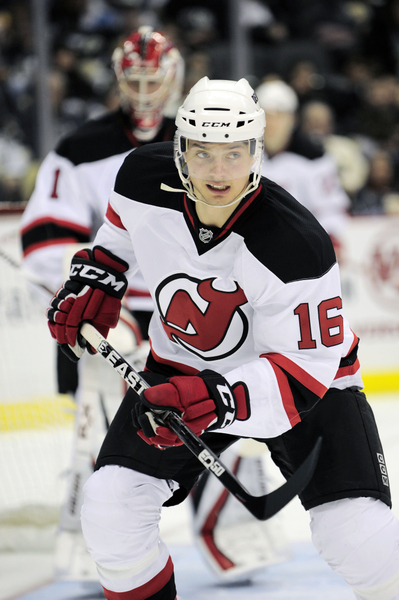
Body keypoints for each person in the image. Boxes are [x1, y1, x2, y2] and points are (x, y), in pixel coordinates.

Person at [47, 76, 399, 600]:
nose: (218, 171)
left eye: (234, 154)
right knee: (111, 504)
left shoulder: (296, 244)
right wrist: (101, 274)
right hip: (183, 367)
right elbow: (119, 231)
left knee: (356, 538)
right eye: (203, 153)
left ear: (256, 152)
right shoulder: (143, 176)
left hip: (308, 386)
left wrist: (217, 398)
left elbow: (304, 372)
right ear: (180, 147)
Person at [20, 27, 285, 582]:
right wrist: (95, 287)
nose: (143, 91)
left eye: (153, 78)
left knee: (216, 404)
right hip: (115, 310)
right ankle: (98, 549)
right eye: (134, 79)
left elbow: (250, 221)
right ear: (119, 78)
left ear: (174, 78)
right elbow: (45, 241)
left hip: (192, 307)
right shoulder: (78, 150)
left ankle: (233, 538)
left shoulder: (201, 142)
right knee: (101, 401)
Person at [255, 78, 351, 251]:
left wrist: (329, 238)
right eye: (266, 116)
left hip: (302, 249)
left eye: (279, 116)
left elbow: (331, 209)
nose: (272, 124)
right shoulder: (241, 157)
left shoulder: (314, 159)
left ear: (292, 119)